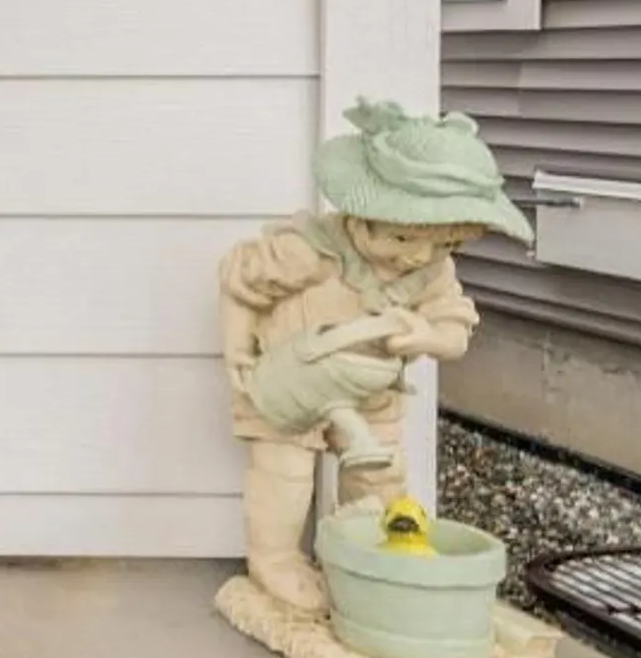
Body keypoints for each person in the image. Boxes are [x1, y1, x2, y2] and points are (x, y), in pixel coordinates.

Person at [217, 103, 533, 616]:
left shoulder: (431, 271)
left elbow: (456, 328)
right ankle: (274, 560)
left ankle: (372, 554)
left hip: (370, 393)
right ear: (361, 215)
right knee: (285, 472)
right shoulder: (309, 251)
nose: (417, 257)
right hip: (290, 382)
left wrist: (429, 334)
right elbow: (240, 280)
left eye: (442, 244)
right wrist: (235, 345)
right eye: (403, 238)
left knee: (380, 476)